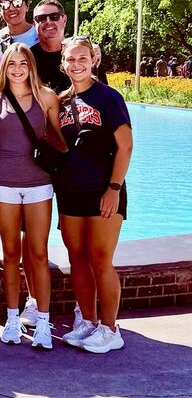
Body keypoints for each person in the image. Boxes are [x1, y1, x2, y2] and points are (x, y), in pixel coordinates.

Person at [0, 43, 64, 350]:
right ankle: (12, 319)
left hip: (40, 184)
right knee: (11, 255)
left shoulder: (47, 97)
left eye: (23, 63)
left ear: (31, 66)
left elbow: (58, 138)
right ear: (4, 67)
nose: (17, 69)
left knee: (39, 254)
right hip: (4, 184)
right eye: (11, 63)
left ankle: (43, 321)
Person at [57, 36, 133, 354]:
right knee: (77, 259)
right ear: (63, 64)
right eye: (70, 60)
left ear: (93, 59)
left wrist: (114, 189)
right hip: (70, 192)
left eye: (82, 58)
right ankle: (87, 321)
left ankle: (110, 329)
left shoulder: (108, 97)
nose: (76, 64)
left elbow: (125, 145)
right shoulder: (61, 101)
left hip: (103, 192)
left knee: (101, 260)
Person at [0, 0, 38, 79]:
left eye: (17, 2)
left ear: (27, 5)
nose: (11, 8)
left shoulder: (39, 36)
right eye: (5, 4)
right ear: (0, 9)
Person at [31, 0, 71, 94]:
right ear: (34, 24)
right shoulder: (27, 59)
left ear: (64, 19)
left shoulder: (81, 53)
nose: (48, 21)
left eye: (54, 17)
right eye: (41, 18)